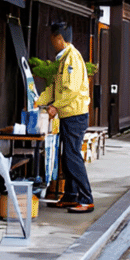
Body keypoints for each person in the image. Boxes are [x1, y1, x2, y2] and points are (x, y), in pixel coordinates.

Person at [37, 21, 94, 213]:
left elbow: (71, 89)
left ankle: (86, 199)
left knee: (72, 156)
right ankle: (71, 196)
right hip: (69, 114)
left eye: (53, 39)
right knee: (67, 156)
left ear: (59, 39)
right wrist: (38, 102)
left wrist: (55, 106)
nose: (52, 43)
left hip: (75, 115)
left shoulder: (72, 59)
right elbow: (55, 87)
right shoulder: (63, 59)